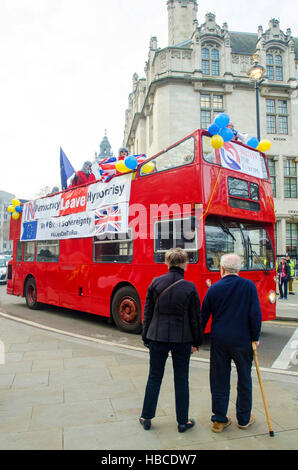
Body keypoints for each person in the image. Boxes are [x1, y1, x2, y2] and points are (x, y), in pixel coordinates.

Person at [140, 247, 202, 433]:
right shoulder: (190, 287)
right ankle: (182, 422)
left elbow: (148, 312)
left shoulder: (155, 283)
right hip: (182, 339)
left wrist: (146, 337)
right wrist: (196, 342)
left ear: (167, 263)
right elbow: (195, 319)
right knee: (182, 379)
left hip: (157, 337)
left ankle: (146, 417)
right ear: (185, 264)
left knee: (154, 377)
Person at [201, 253, 262, 433]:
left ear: (222, 269)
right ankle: (243, 418)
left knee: (219, 379)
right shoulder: (249, 286)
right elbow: (255, 315)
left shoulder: (214, 288)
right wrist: (255, 337)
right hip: (243, 341)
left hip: (219, 340)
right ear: (239, 270)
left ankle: (219, 420)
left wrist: (195, 340)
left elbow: (203, 316)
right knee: (244, 379)